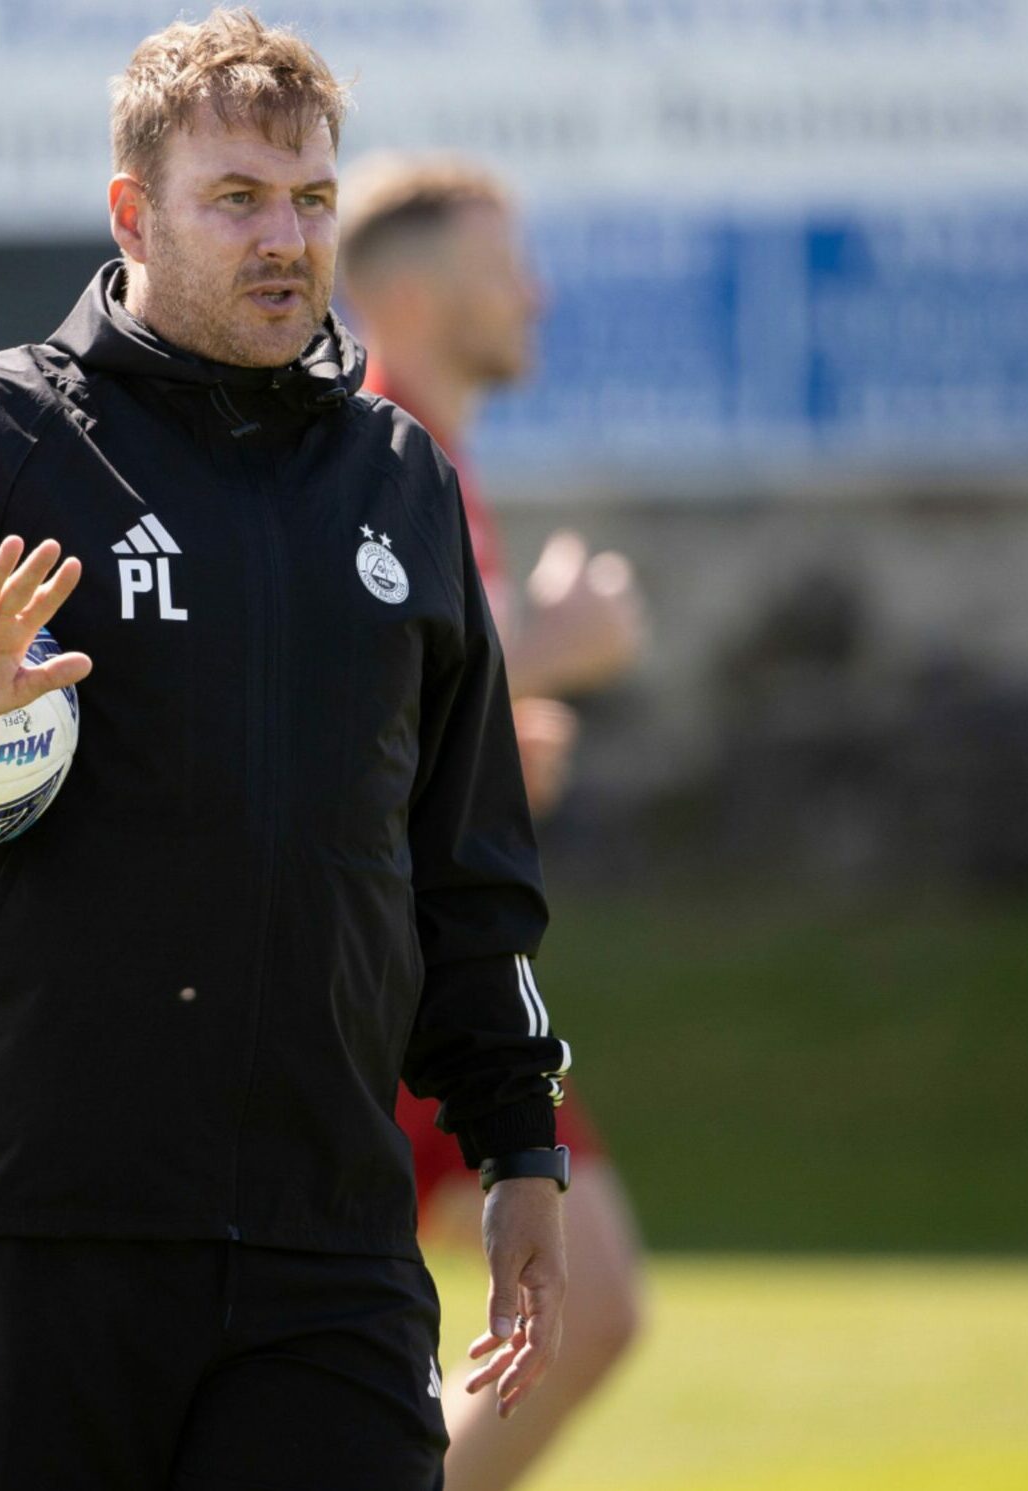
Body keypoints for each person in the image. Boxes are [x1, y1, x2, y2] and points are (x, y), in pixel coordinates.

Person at [0, 11, 573, 1489]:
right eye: (238, 200)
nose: (287, 240)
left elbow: (464, 859)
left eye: (313, 200)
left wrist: (520, 1140)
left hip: (326, 1241)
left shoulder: (398, 485)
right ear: (133, 212)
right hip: (34, 1222)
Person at [339, 152, 650, 1491]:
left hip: (409, 956)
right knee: (581, 1301)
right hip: (386, 971)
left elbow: (397, 728)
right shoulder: (373, 455)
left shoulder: (435, 460)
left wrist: (497, 748)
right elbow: (349, 691)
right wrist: (547, 645)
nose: (537, 291)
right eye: (501, 265)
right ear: (408, 295)